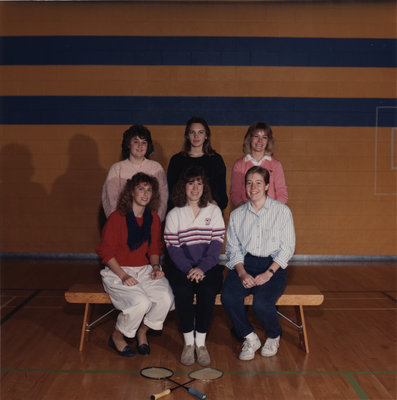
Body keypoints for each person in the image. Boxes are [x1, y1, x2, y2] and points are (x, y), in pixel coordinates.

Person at [221, 166, 295, 360]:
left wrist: (269, 273)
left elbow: (287, 248)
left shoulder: (282, 212)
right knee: (228, 297)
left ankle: (273, 335)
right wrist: (242, 273)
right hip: (245, 264)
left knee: (261, 304)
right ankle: (250, 337)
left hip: (273, 266)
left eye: (258, 183)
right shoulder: (237, 215)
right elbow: (232, 249)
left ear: (267, 186)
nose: (253, 187)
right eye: (249, 183)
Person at [96, 172, 174, 357]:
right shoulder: (117, 217)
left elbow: (154, 248)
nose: (145, 193)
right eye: (141, 189)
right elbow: (105, 252)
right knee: (140, 302)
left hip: (144, 268)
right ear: (131, 192)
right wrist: (124, 275)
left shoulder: (153, 218)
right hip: (118, 271)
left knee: (166, 298)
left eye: (149, 190)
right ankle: (117, 336)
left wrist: (155, 267)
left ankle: (142, 332)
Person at [164, 166, 225, 366]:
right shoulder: (174, 214)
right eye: (191, 183)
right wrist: (189, 269)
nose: (195, 187)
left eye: (199, 183)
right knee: (182, 292)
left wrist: (202, 268)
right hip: (181, 268)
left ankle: (201, 343)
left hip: (208, 267)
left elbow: (216, 245)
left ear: (204, 186)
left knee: (207, 292)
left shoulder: (214, 211)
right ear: (184, 186)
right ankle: (188, 344)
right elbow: (173, 248)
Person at [102, 125, 168, 221]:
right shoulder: (117, 169)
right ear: (128, 144)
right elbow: (110, 199)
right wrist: (117, 222)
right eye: (136, 141)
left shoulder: (156, 168)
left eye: (144, 142)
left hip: (149, 223)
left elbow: (163, 198)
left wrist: (156, 221)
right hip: (122, 223)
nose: (140, 146)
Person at [167, 116, 228, 212]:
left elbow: (221, 194)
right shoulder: (176, 160)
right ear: (187, 135)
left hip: (209, 212)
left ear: (206, 135)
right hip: (182, 212)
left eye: (200, 132)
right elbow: (171, 192)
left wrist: (213, 208)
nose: (196, 136)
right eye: (192, 132)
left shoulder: (216, 160)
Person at [230, 122, 288, 207]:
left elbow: (282, 193)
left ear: (268, 141)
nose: (260, 141)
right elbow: (235, 193)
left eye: (264, 137)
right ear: (249, 138)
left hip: (271, 213)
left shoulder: (276, 164)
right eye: (256, 136)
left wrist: (272, 210)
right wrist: (247, 210)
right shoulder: (239, 164)